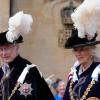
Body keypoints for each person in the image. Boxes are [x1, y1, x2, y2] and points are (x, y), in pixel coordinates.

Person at [0, 11, 55, 100]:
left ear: (16, 47)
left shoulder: (30, 71)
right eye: (1, 49)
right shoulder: (2, 71)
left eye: (7, 48)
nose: (3, 53)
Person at [63, 0, 100, 99]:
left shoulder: (98, 72)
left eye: (82, 49)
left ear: (91, 50)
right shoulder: (73, 73)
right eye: (75, 50)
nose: (78, 53)